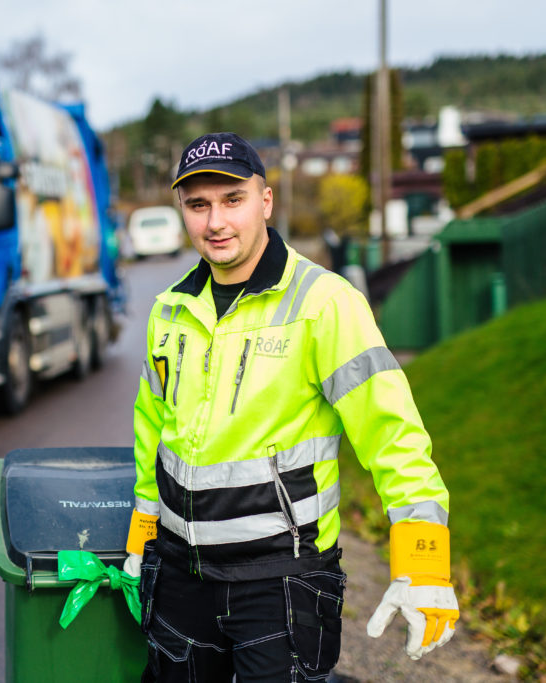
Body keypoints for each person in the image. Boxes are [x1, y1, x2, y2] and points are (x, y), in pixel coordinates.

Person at [123, 132, 459, 682]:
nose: (216, 223)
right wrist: (143, 536)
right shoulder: (171, 310)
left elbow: (392, 432)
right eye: (198, 205)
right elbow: (153, 433)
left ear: (266, 201)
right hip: (182, 573)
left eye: (233, 200)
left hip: (279, 578)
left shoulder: (325, 304)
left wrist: (423, 562)